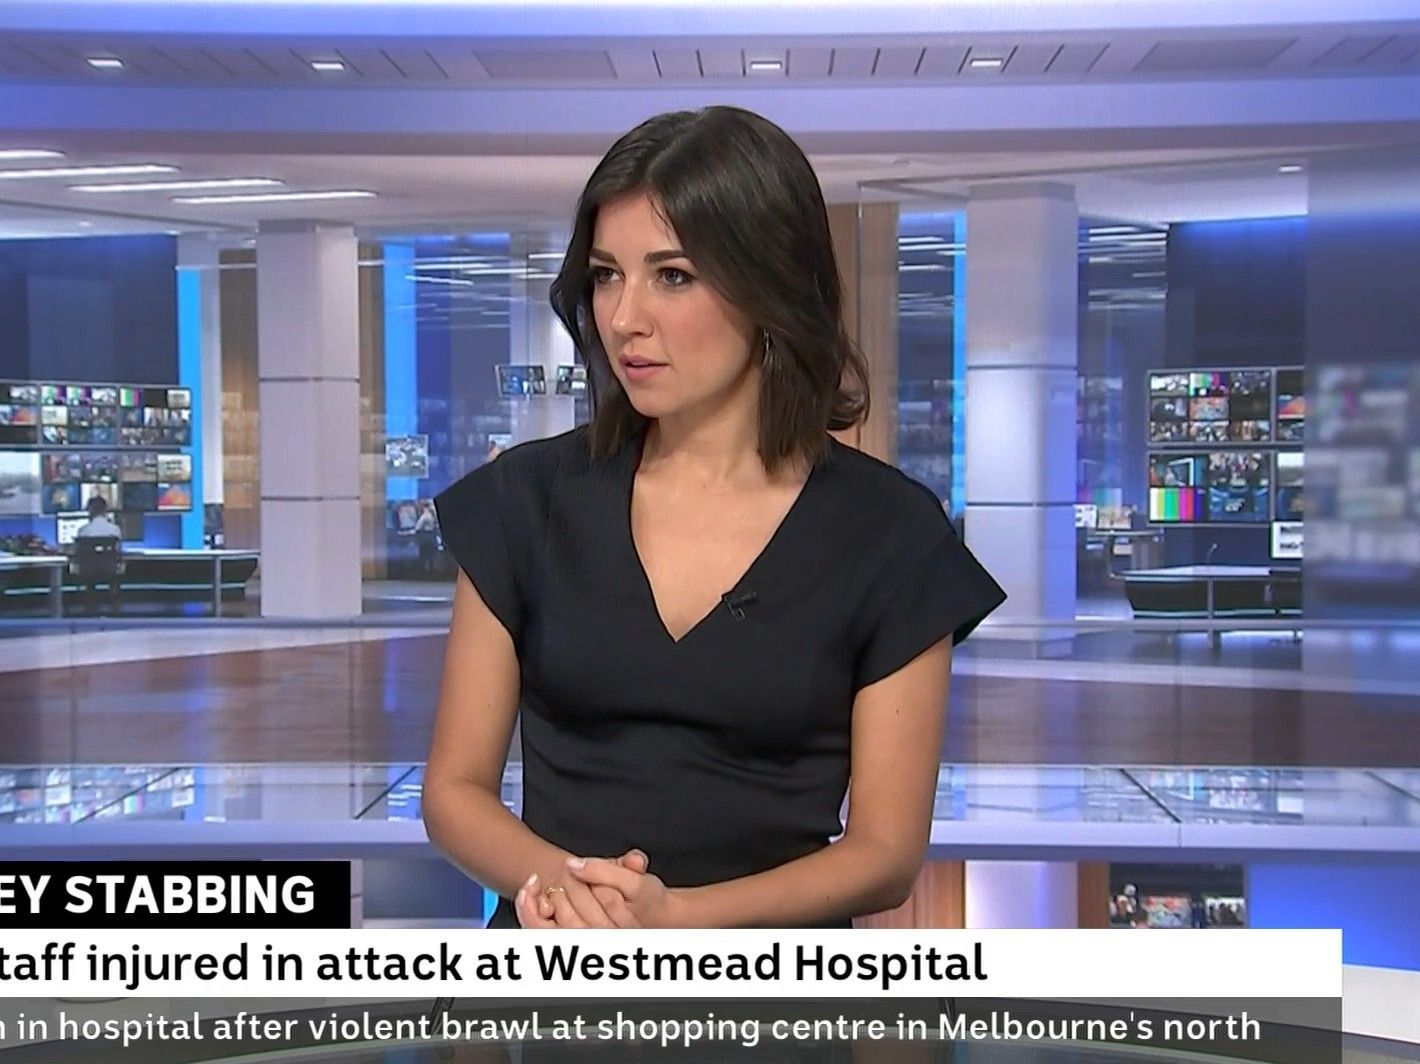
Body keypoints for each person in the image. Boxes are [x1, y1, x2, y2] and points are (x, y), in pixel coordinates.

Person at [423, 106, 1005, 931]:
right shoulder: (524, 500)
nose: (624, 318)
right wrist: (578, 894)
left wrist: (679, 920)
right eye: (606, 274)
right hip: (559, 973)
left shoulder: (890, 534)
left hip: (773, 991)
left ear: (770, 287)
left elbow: (884, 854)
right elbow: (453, 791)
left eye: (672, 276)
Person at [73, 495, 123, 615]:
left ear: (90, 511)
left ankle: (89, 609)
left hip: (88, 572)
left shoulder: (83, 531)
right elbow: (119, 552)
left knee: (88, 577)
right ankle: (115, 609)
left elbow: (78, 554)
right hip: (110, 570)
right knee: (114, 577)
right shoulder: (115, 530)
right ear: (105, 510)